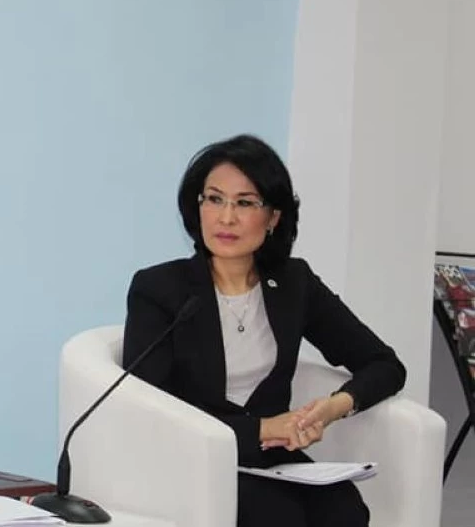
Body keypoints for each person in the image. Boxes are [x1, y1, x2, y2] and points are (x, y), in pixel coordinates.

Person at [122, 134, 405, 527]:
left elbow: (384, 365)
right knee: (275, 515)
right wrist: (261, 429)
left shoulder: (294, 284)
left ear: (273, 217)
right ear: (197, 206)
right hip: (191, 457)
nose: (226, 218)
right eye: (214, 199)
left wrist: (330, 409)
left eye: (245, 203)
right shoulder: (159, 289)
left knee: (344, 508)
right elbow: (150, 406)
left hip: (272, 460)